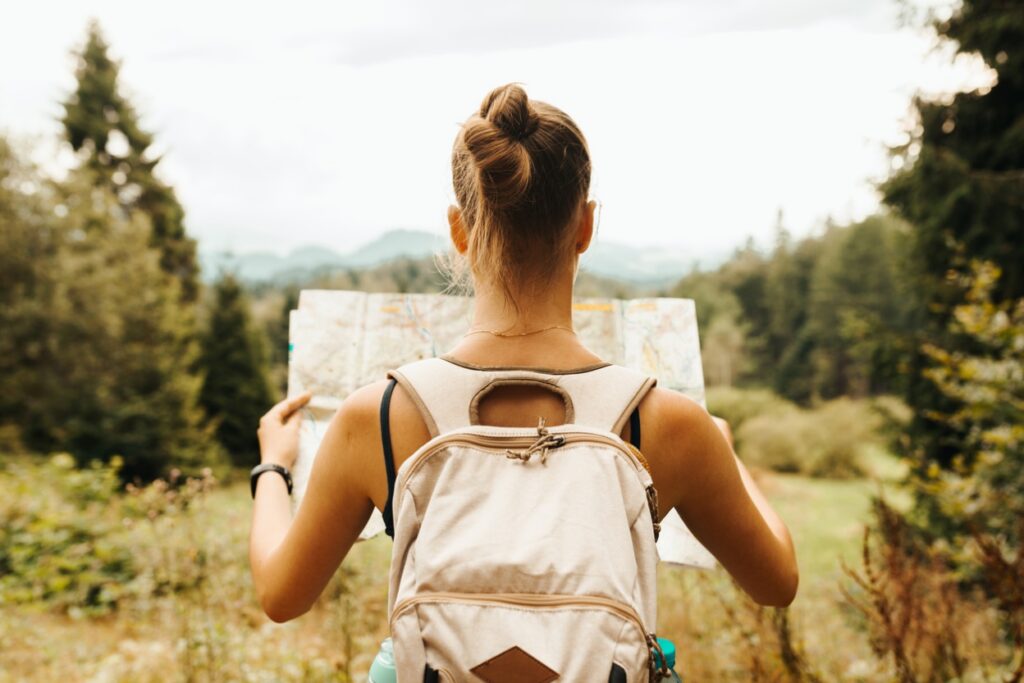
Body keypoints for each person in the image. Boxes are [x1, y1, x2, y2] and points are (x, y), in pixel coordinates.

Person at [248, 84, 798, 631]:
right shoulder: (671, 424)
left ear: (459, 232)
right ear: (585, 225)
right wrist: (726, 453)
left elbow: (281, 594)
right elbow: (778, 583)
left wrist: (274, 464)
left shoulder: (376, 417)